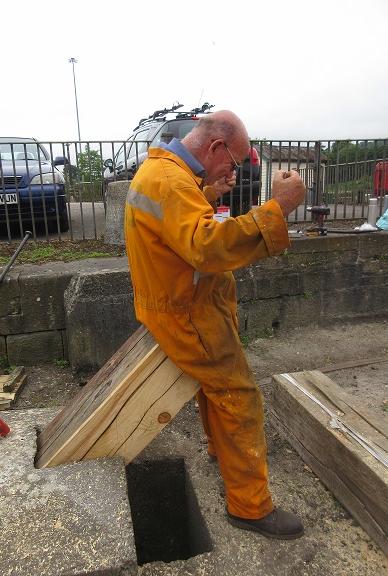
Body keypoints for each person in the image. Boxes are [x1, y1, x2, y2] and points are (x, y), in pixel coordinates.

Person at [124, 110, 306, 539]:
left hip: (176, 302)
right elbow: (206, 247)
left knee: (216, 388)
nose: (236, 173)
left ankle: (217, 450)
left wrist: (207, 191)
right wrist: (277, 209)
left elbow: (175, 228)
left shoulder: (162, 171)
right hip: (188, 313)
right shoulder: (170, 182)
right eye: (236, 163)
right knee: (240, 397)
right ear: (216, 147)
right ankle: (250, 506)